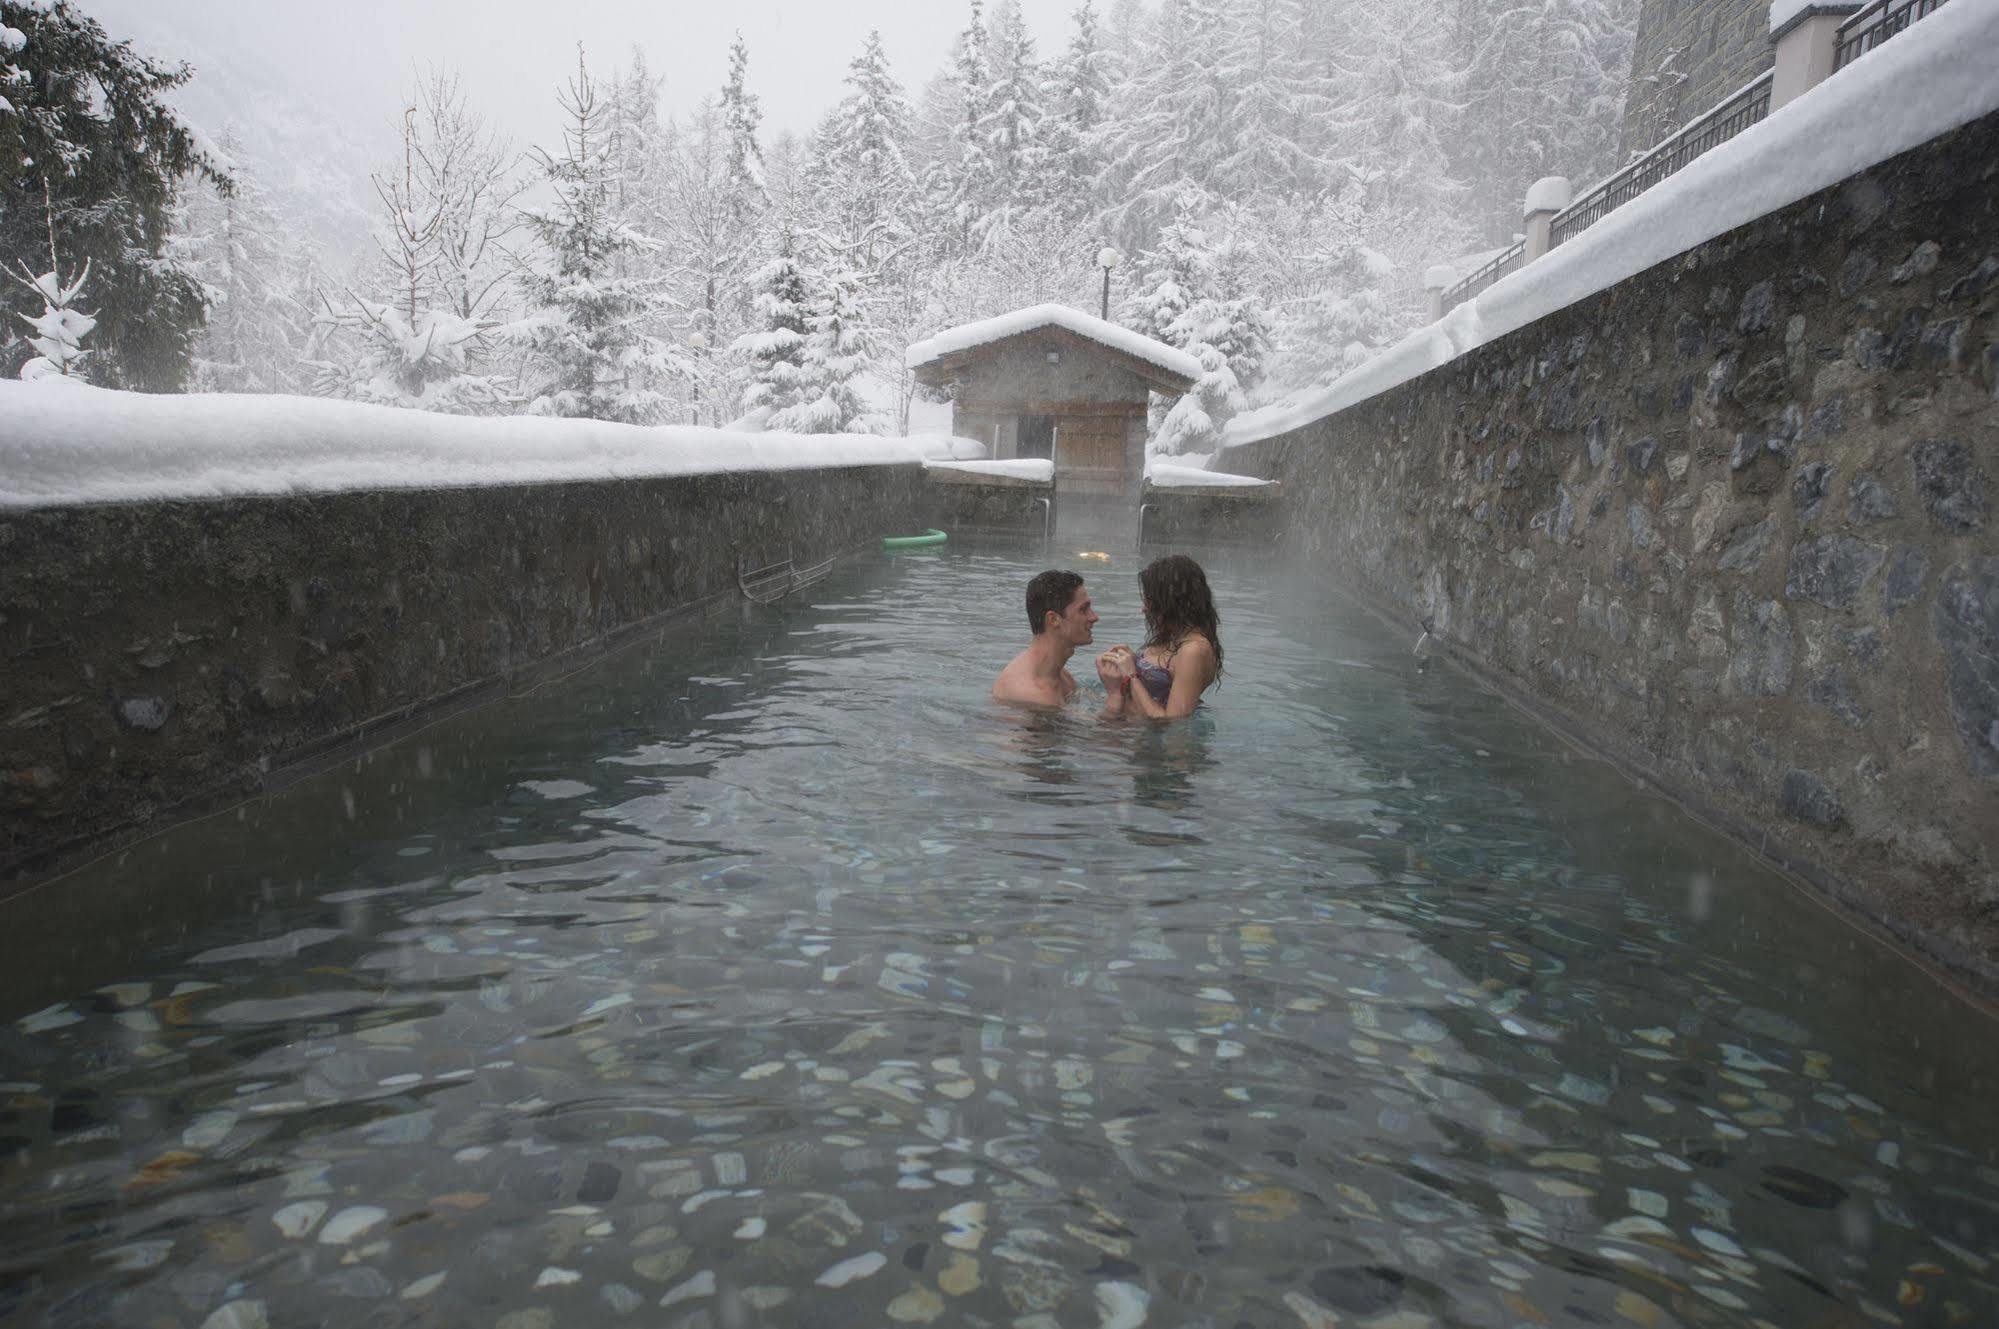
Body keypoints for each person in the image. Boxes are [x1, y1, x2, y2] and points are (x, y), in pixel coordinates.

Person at [1098, 554, 1222, 721]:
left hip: (1156, 745)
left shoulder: (1194, 650)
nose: (1144, 608)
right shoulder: (1174, 638)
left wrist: (1131, 675)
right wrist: (1134, 662)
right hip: (1135, 733)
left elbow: (1172, 723)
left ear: (1171, 601)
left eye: (1150, 599)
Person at [992, 569, 1100, 707]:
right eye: (1083, 610)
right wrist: (1115, 700)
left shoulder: (1059, 675)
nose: (1094, 617)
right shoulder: (1035, 695)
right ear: (1054, 619)